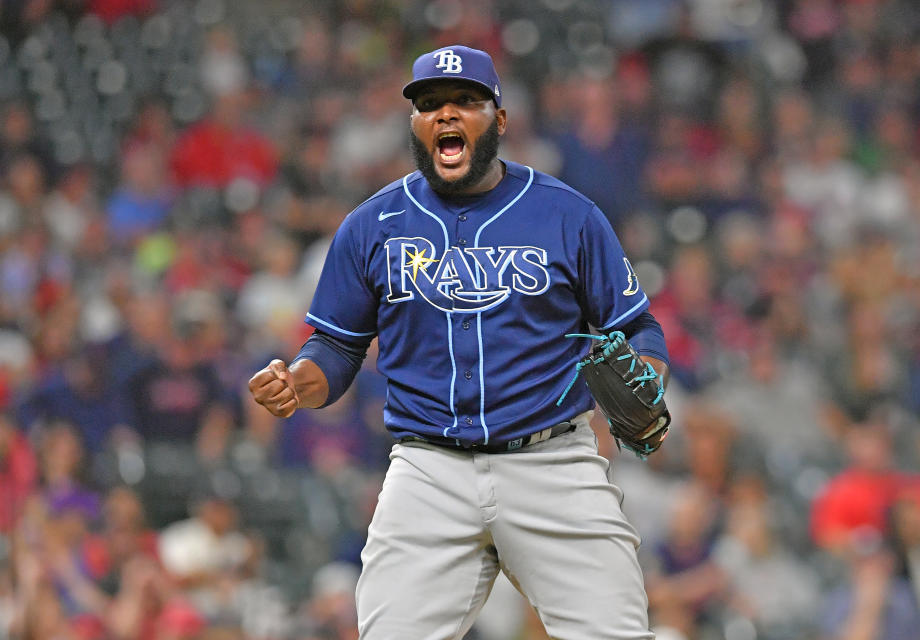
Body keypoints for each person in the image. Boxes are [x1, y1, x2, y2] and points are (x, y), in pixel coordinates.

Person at [248, 44, 670, 639]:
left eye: (465, 101)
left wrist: (650, 375)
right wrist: (298, 382)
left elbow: (635, 328)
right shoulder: (372, 224)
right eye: (429, 104)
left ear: (499, 119)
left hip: (551, 463)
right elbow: (337, 348)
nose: (445, 115)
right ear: (415, 123)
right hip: (428, 470)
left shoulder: (567, 215)